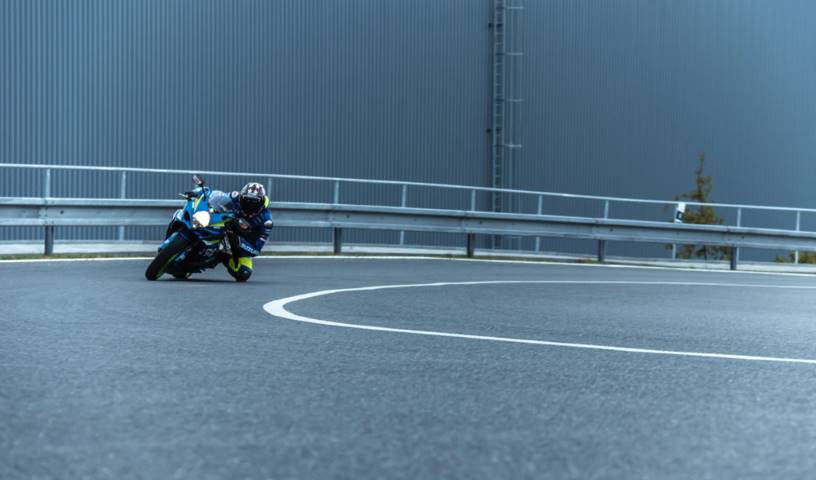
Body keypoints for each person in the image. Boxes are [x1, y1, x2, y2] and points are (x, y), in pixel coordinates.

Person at [208, 182, 273, 282]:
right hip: (220, 225)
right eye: (246, 200)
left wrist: (238, 241)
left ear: (261, 203)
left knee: (244, 273)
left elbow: (256, 250)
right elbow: (216, 197)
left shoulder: (266, 221)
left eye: (253, 203)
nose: (249, 205)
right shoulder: (235, 196)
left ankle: (223, 256)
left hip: (240, 245)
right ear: (241, 197)